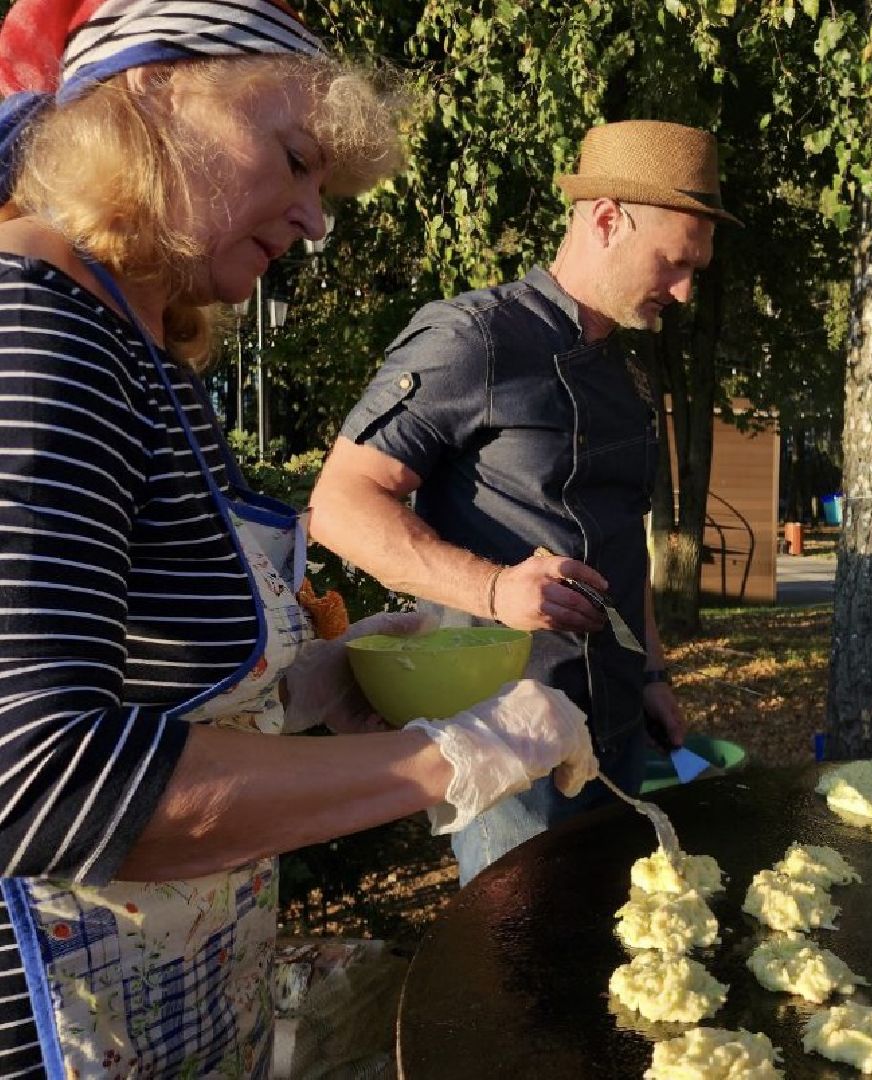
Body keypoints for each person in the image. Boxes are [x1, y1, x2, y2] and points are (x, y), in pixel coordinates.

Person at [0, 1, 598, 1075]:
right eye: (295, 161)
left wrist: (321, 684)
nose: (316, 219)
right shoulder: (36, 335)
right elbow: (39, 776)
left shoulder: (136, 350)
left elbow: (148, 685)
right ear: (153, 90)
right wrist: (441, 760)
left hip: (171, 1010)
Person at [309, 120, 740, 885]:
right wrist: (494, 589)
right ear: (606, 219)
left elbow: (616, 541)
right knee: (518, 968)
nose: (684, 291)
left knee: (614, 950)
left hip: (615, 725)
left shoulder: (621, 369)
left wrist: (650, 678)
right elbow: (341, 505)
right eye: (674, 263)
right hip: (506, 740)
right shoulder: (473, 338)